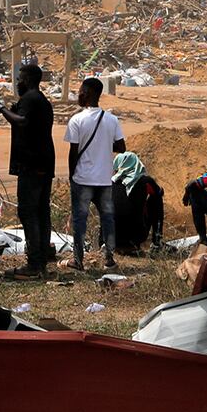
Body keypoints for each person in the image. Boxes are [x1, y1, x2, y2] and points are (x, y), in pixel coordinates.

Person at [0, 61, 56, 277]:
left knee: (28, 212)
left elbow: (21, 121)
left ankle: (34, 264)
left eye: (20, 78)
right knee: (40, 212)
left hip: (32, 165)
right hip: (44, 164)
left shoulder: (31, 99)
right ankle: (41, 260)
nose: (17, 82)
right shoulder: (41, 101)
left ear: (28, 80)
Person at [64, 76, 127, 271]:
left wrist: (71, 176)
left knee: (79, 221)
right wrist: (106, 142)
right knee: (107, 219)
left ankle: (78, 260)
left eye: (81, 91)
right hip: (104, 180)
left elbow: (73, 154)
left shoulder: (77, 120)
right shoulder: (111, 119)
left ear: (89, 93)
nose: (79, 94)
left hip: (83, 179)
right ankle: (109, 258)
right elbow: (122, 147)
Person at [112, 150, 165, 255]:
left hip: (112, 238)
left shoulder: (111, 183)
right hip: (135, 236)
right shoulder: (145, 181)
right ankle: (157, 242)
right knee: (156, 200)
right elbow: (159, 192)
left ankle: (104, 244)